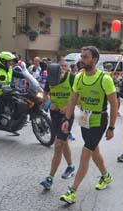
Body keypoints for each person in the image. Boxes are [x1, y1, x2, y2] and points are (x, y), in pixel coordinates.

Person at [59, 46, 118, 204]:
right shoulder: (79, 77)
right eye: (82, 56)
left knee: (86, 153)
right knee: (94, 151)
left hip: (99, 121)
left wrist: (111, 127)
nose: (82, 59)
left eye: (85, 57)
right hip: (84, 119)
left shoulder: (104, 79)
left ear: (94, 60)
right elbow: (73, 99)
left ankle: (72, 191)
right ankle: (106, 176)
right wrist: (66, 119)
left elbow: (114, 103)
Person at [40, 59, 76, 190]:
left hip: (67, 115)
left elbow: (79, 98)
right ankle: (71, 166)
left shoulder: (72, 78)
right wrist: (50, 103)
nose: (62, 68)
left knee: (58, 143)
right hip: (54, 114)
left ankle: (50, 178)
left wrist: (68, 107)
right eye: (61, 66)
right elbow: (44, 95)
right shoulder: (51, 78)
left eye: (64, 66)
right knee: (63, 141)